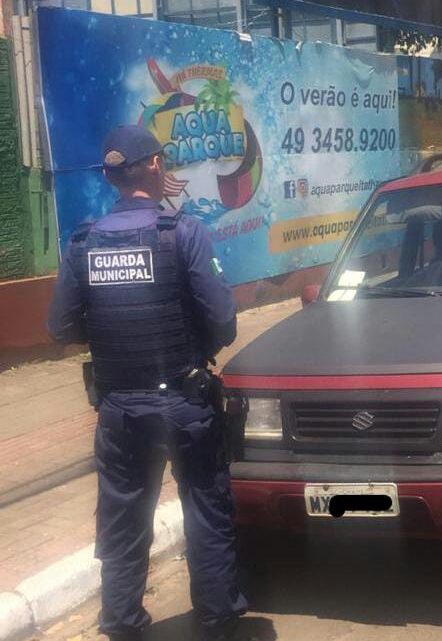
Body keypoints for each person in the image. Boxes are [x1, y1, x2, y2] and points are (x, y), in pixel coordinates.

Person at [47, 125, 247, 641]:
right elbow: (223, 322)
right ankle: (219, 621)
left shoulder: (84, 242)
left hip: (119, 408)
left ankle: (122, 624)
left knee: (121, 518)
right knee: (205, 508)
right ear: (155, 167)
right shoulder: (184, 233)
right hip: (184, 400)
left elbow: (60, 328)